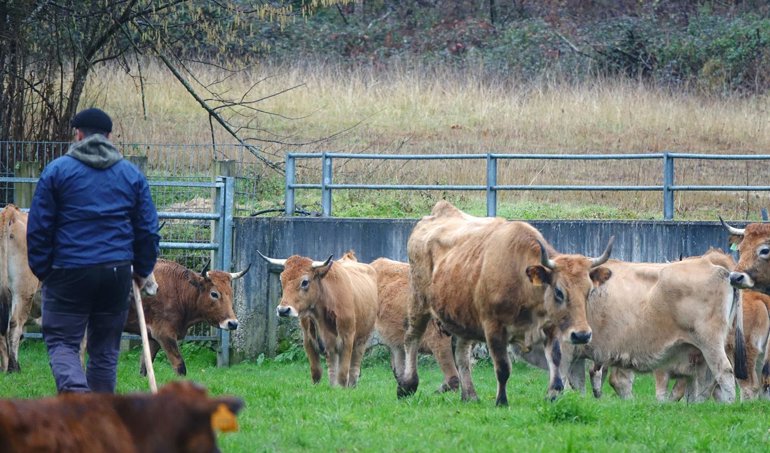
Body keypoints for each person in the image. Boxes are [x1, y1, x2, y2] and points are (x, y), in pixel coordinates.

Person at [27, 107, 159, 394]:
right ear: (109, 137)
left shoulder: (57, 171)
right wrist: (141, 270)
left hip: (68, 271)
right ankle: (97, 414)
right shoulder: (131, 175)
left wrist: (44, 270)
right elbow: (148, 230)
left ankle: (78, 399)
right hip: (116, 272)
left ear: (77, 135)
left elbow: (38, 228)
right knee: (105, 351)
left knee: (63, 343)